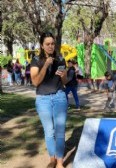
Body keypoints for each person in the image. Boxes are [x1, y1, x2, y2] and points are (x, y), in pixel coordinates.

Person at [30, 32, 68, 168]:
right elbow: (35, 82)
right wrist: (45, 65)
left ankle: (59, 162)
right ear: (42, 45)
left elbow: (65, 82)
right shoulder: (35, 60)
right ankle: (52, 159)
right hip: (43, 99)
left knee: (60, 130)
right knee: (49, 131)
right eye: (47, 44)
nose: (51, 46)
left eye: (52, 43)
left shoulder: (60, 58)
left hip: (59, 96)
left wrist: (64, 75)